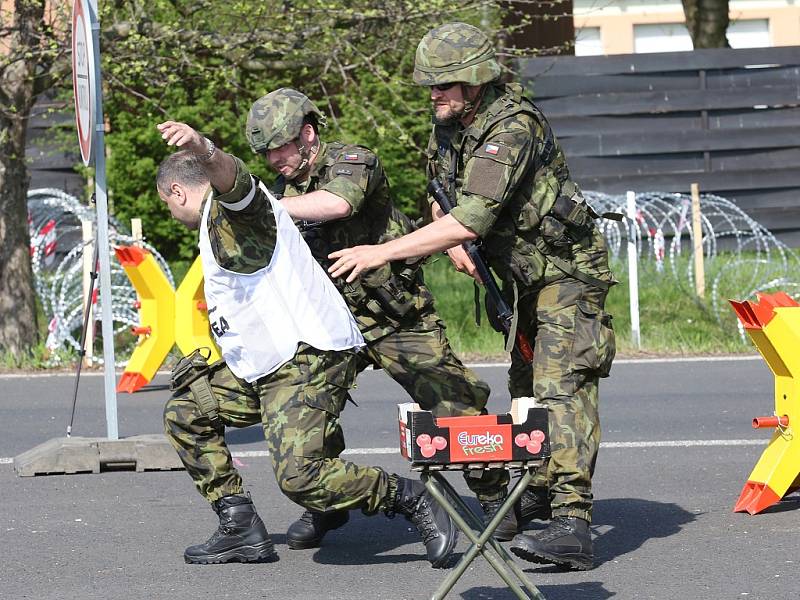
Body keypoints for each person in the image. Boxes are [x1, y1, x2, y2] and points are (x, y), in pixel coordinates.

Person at [326, 22, 616, 571]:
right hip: (525, 279)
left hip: (568, 276)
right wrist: (449, 229)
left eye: (443, 83)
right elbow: (448, 202)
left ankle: (572, 523)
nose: (432, 93)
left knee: (561, 386)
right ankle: (537, 493)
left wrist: (381, 252)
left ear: (476, 81)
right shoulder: (451, 127)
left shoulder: (512, 127)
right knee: (525, 387)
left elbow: (474, 213)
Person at [154, 120, 456, 568]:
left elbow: (235, 182)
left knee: (300, 477)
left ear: (177, 192)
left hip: (305, 357)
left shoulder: (237, 209)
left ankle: (410, 497)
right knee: (186, 412)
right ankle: (240, 527)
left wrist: (203, 147)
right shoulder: (214, 224)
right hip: (265, 364)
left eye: (166, 203)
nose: (169, 211)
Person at [244, 87, 510, 546]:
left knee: (455, 401)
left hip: (393, 317)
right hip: (328, 324)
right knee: (307, 410)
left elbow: (338, 203)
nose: (273, 162)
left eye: (279, 150)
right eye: (265, 155)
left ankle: (494, 499)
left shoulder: (353, 161)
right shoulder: (286, 188)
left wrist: (265, 206)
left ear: (307, 135)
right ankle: (327, 503)